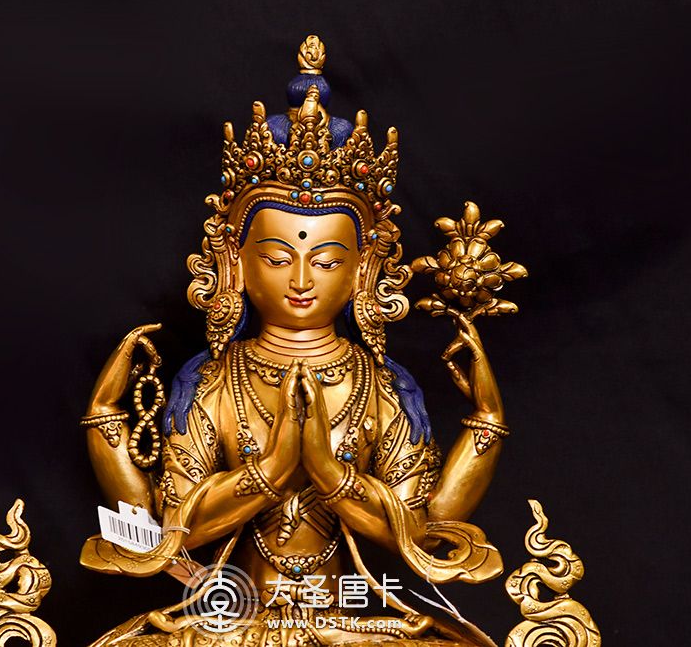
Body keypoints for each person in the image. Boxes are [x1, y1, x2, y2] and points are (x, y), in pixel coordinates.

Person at [79, 36, 508, 647]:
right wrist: (274, 467)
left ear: (365, 269)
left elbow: (424, 527)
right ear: (234, 263)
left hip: (350, 621)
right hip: (232, 622)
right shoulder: (211, 380)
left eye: (327, 261)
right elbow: (171, 529)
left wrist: (482, 420)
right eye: (278, 257)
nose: (302, 280)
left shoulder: (381, 385)